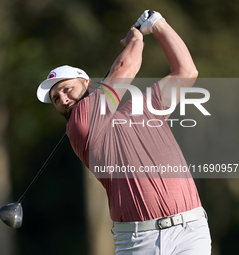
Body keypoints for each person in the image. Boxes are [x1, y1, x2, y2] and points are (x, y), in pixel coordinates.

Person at [37, 10, 211, 255]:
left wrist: (159, 24)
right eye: (56, 99)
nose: (63, 99)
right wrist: (137, 38)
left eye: (66, 89)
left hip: (190, 230)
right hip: (139, 240)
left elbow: (186, 72)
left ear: (88, 84)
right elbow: (127, 65)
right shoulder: (79, 123)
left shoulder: (144, 108)